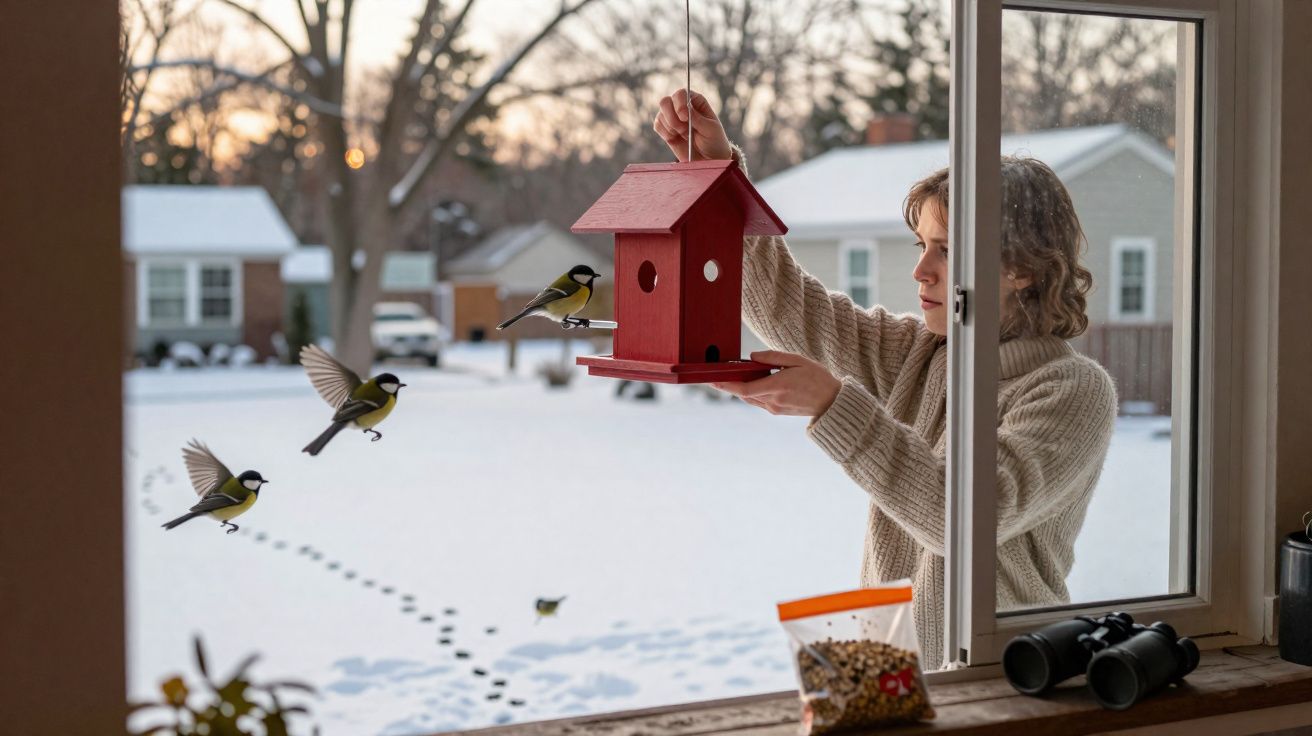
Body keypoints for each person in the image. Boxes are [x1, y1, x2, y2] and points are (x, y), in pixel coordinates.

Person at [653, 89, 1117, 671]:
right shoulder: (918, 353)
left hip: (1007, 676)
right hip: (887, 665)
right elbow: (785, 305)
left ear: (1020, 267)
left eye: (946, 251)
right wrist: (718, 175)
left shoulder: (1071, 392)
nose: (920, 270)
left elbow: (965, 519)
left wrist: (833, 406)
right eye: (923, 246)